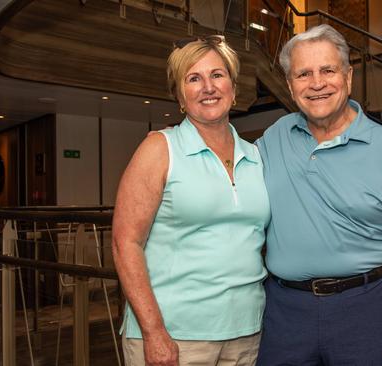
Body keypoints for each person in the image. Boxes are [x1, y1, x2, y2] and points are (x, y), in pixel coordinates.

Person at [255, 24, 382, 366]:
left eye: (328, 70)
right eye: (303, 74)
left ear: (348, 77)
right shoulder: (273, 138)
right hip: (285, 313)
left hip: (366, 309)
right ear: (290, 86)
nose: (317, 83)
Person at [112, 35, 270, 366]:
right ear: (180, 96)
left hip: (247, 332)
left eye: (217, 75)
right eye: (193, 78)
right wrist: (154, 331)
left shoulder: (255, 156)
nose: (208, 87)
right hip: (175, 335)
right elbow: (125, 243)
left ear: (233, 86)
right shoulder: (159, 149)